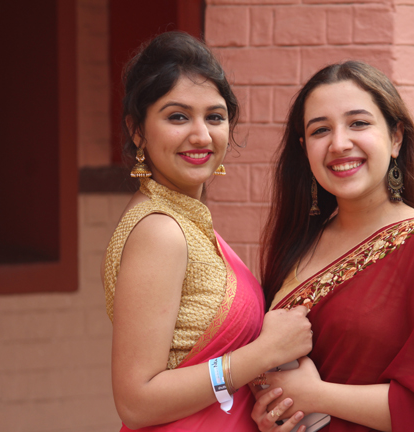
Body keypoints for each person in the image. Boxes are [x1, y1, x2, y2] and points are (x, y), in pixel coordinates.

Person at [252, 61, 414, 432]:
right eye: (320, 130)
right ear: (304, 149)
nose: (339, 143)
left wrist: (316, 395)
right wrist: (273, 414)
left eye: (358, 123)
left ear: (396, 138)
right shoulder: (301, 243)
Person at [102, 31, 312, 432]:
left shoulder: (186, 220)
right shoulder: (160, 231)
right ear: (137, 130)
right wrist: (264, 353)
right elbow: (135, 401)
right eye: (178, 117)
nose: (201, 135)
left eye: (214, 117)